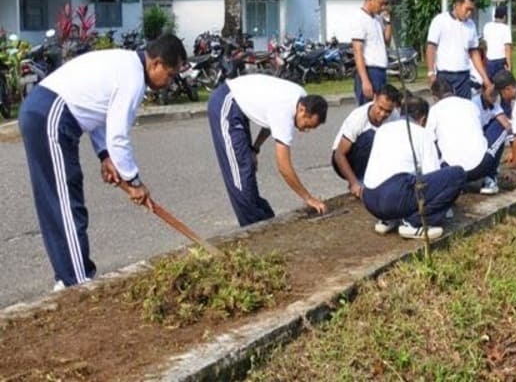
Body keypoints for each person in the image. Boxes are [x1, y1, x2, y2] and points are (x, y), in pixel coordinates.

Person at [20, 34, 185, 289]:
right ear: (157, 64)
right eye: (171, 74)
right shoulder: (133, 78)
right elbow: (118, 136)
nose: (170, 82)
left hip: (45, 111)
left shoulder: (127, 65)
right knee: (64, 202)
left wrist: (104, 155)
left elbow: (100, 116)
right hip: (51, 114)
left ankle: (68, 278)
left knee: (62, 198)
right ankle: (77, 282)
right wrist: (134, 181)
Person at [209, 74, 328, 227]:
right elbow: (284, 167)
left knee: (247, 166)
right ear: (302, 110)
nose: (305, 130)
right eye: (307, 125)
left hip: (237, 107)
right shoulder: (286, 111)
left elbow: (271, 122)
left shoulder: (302, 98)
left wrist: (255, 148)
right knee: (239, 173)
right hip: (226, 102)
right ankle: (253, 229)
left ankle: (264, 220)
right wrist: (308, 198)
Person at [362, 95, 467, 240]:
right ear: (423, 119)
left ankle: (390, 219)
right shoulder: (422, 133)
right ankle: (414, 223)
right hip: (393, 197)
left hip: (369, 199)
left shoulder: (383, 129)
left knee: (405, 179)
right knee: (458, 174)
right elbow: (431, 174)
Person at [427, 79, 506, 195]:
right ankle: (490, 176)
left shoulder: (433, 111)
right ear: (453, 90)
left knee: (432, 144)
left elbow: (430, 142)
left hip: (452, 171)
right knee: (499, 126)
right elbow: (480, 131)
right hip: (481, 166)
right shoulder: (470, 104)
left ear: (434, 97)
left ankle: (451, 183)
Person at [331, 85, 402, 198]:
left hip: (371, 157)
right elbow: (339, 155)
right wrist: (354, 183)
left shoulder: (395, 116)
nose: (383, 114)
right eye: (380, 108)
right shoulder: (358, 118)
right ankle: (361, 180)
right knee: (371, 137)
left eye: (388, 111)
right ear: (375, 98)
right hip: (344, 160)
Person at [426, 0, 491, 99]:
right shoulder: (440, 21)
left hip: (464, 77)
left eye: (472, 10)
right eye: (467, 9)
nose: (469, 13)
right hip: (444, 77)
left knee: (464, 111)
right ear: (457, 5)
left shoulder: (471, 25)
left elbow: (474, 53)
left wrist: (485, 78)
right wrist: (431, 74)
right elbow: (431, 47)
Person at [350, 0, 393, 106]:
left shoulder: (377, 19)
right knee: (369, 112)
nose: (382, 7)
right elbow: (357, 51)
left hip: (381, 71)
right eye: (380, 3)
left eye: (384, 4)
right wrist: (365, 81)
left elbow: (387, 41)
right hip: (369, 71)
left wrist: (388, 20)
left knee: (382, 109)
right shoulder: (360, 19)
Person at [482, 5, 513, 80]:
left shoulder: (487, 26)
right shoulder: (505, 28)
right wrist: (509, 65)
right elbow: (507, 48)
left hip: (490, 60)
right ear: (504, 16)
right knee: (502, 84)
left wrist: (485, 58)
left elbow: (484, 45)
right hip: (501, 60)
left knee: (491, 82)